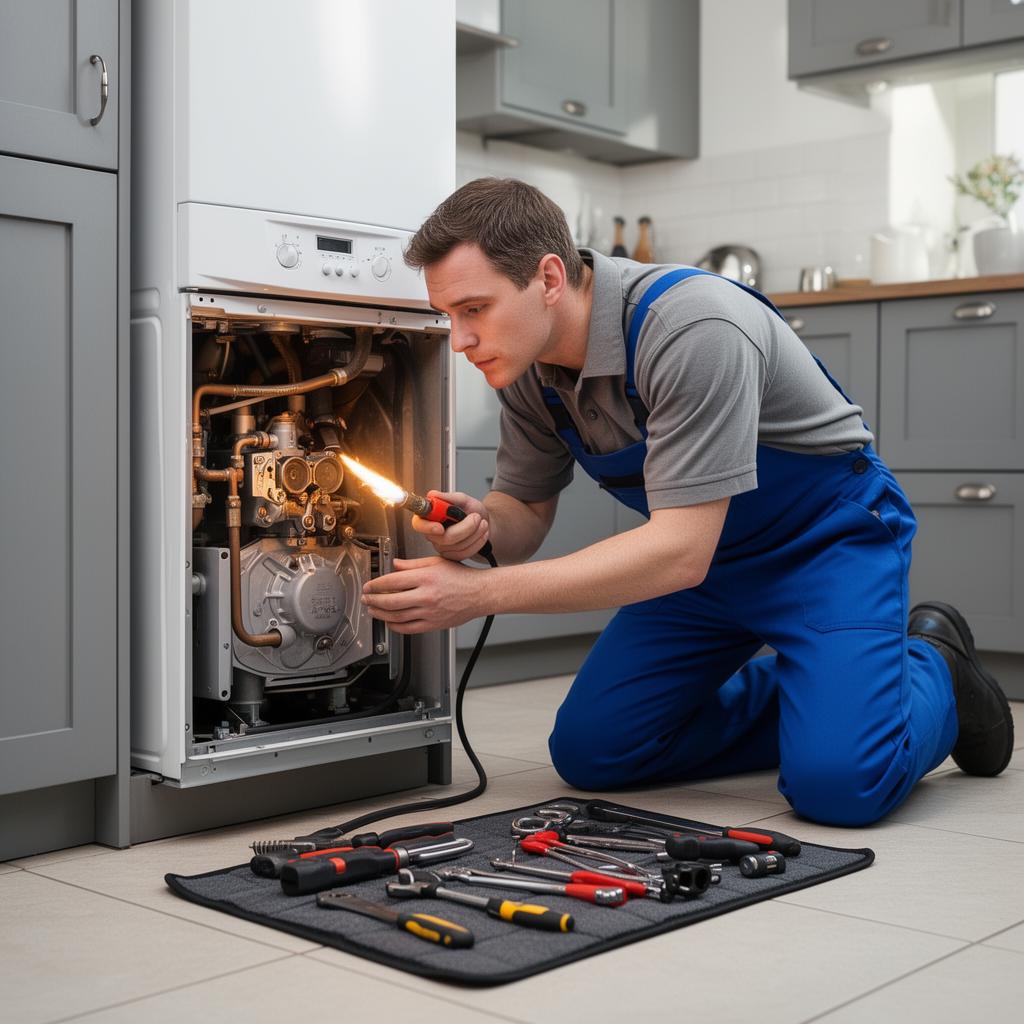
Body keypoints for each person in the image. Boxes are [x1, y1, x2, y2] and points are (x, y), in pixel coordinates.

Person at [360, 177, 1015, 827]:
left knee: (840, 786)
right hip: (709, 559)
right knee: (595, 750)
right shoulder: (529, 371)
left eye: (474, 309)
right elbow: (522, 515)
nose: (459, 338)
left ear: (550, 278)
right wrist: (480, 527)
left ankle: (932, 667)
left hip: (826, 543)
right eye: (448, 315)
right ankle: (837, 689)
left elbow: (677, 552)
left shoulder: (692, 326)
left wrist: (478, 595)